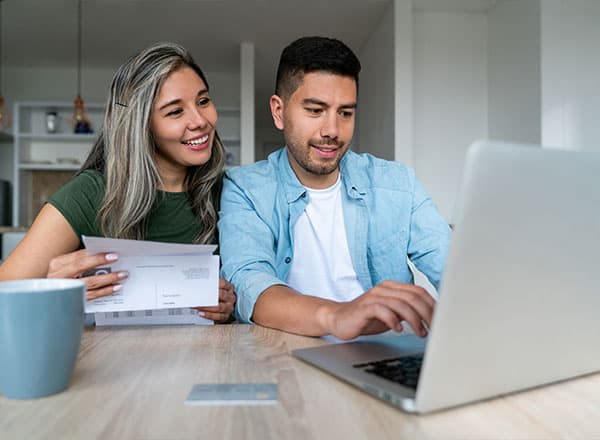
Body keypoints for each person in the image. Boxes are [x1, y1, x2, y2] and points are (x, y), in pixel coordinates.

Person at [218, 36, 450, 338]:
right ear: (279, 111)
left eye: (345, 113)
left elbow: (455, 270)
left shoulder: (396, 184)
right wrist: (338, 315)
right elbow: (250, 284)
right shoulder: (245, 188)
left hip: (387, 353)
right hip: (290, 354)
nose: (332, 131)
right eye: (315, 111)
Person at [0, 42, 235, 323]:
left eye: (203, 101)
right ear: (138, 125)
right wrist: (50, 293)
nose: (200, 121)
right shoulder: (89, 194)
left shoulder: (231, 192)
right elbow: (6, 295)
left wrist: (231, 305)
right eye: (175, 111)